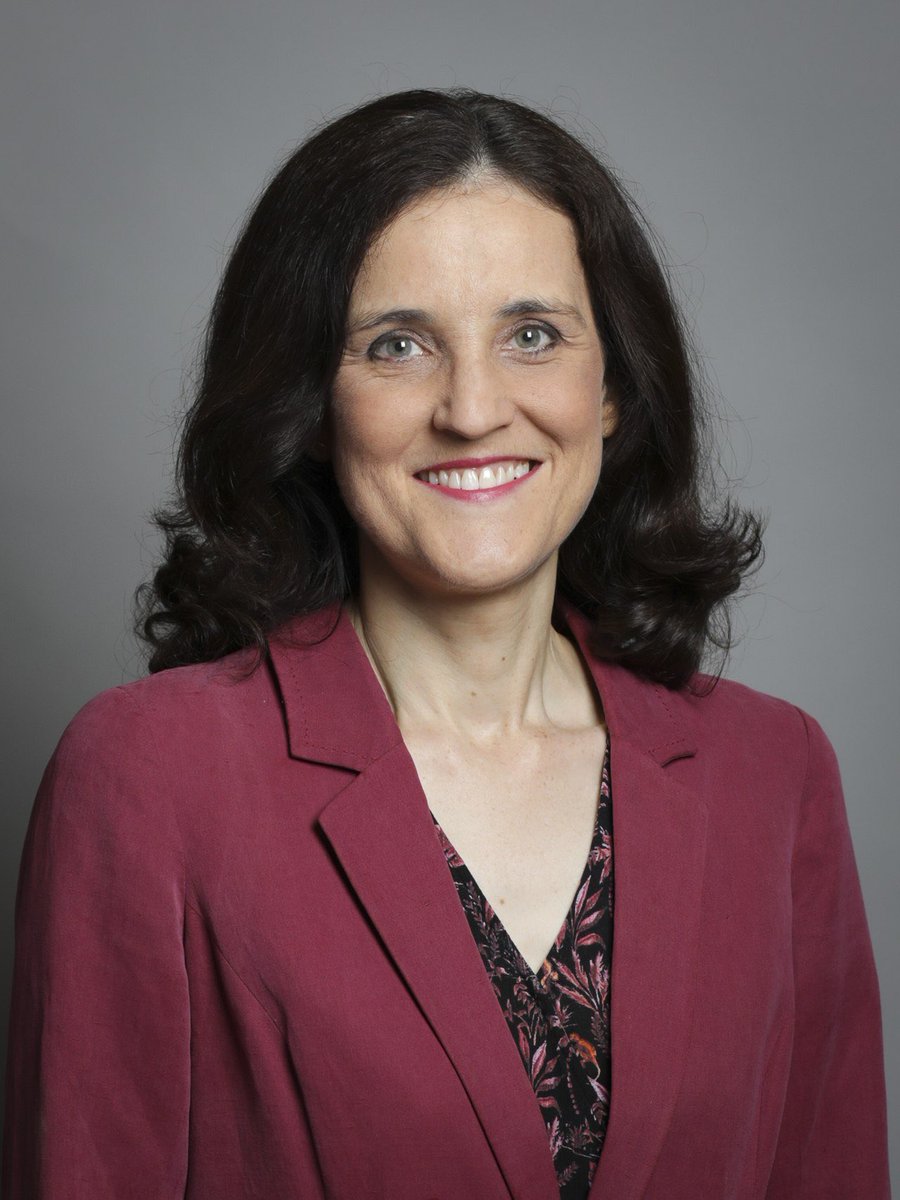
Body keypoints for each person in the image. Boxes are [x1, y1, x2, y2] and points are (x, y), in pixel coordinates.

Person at [2, 88, 890, 1200]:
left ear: (613, 388)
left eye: (532, 336)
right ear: (313, 404)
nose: (472, 409)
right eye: (398, 345)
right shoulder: (150, 777)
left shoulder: (775, 774)